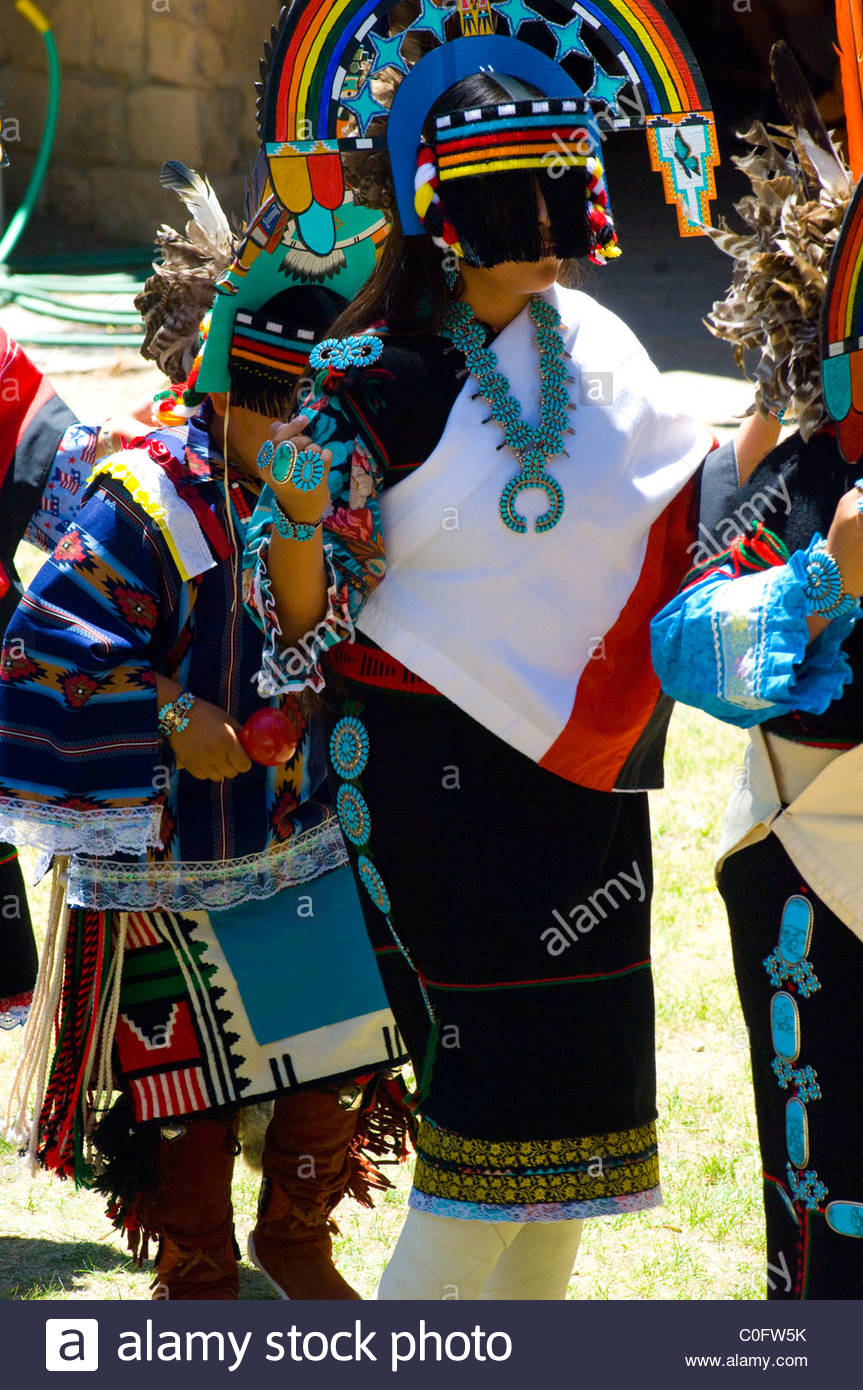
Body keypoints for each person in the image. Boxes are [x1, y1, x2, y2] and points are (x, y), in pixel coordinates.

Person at [239, 1, 777, 1299]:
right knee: (485, 1125)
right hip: (432, 778)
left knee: (573, 1130)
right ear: (440, 206)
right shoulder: (369, 374)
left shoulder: (591, 343)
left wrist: (779, 420)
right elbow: (296, 617)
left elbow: (672, 502)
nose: (547, 228)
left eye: (559, 188)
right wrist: (302, 518)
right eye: (513, 196)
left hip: (583, 780)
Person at [0, 173, 410, 1301]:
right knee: (185, 1096)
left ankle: (295, 1241)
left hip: (295, 839)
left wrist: (299, 527)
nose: (293, 430)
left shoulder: (326, 490)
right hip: (163, 865)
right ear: (221, 385)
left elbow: (319, 645)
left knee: (331, 1052)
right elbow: (39, 651)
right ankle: (195, 1270)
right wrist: (173, 715)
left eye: (310, 406)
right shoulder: (143, 499)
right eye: (274, 404)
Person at [651, 44, 863, 1298]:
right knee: (828, 1190)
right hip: (815, 864)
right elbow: (686, 644)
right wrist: (825, 577)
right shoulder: (807, 471)